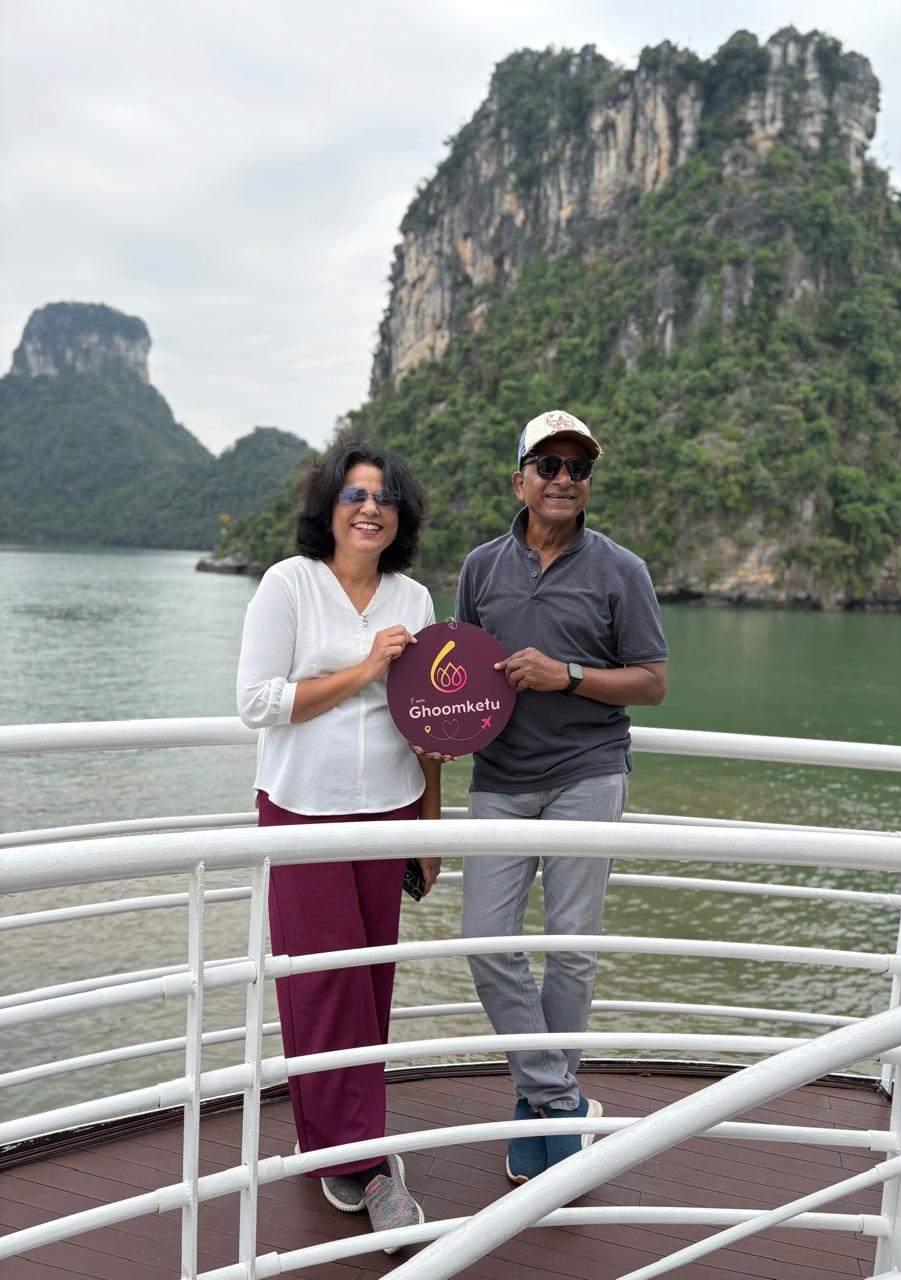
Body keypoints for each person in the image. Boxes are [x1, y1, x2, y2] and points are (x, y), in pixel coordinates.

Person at [236, 441, 441, 1246]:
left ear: (402, 516)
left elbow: (428, 722)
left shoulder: (414, 598)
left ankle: (343, 1143)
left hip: (388, 810)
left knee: (368, 980)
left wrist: (431, 826)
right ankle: (360, 1160)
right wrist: (362, 670)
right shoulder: (289, 585)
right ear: (327, 507)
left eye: (385, 497)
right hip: (303, 809)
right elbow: (257, 702)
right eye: (354, 494)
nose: (370, 507)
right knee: (322, 985)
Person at [455, 409, 667, 1184]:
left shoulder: (622, 571)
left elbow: (653, 681)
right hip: (501, 778)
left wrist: (567, 675)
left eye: (579, 469)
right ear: (520, 479)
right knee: (485, 941)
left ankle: (533, 1107)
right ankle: (560, 1100)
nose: (565, 480)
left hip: (588, 772)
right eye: (549, 465)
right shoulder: (481, 568)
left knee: (572, 950)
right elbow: (460, 675)